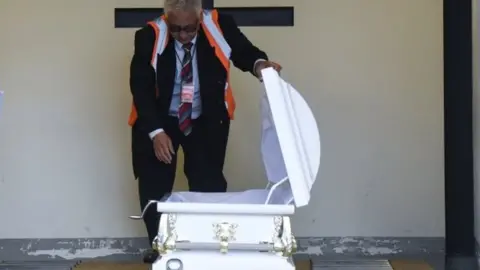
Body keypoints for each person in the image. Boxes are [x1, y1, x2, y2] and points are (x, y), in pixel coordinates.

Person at [128, 0, 282, 263]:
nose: (183, 35)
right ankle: (161, 247)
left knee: (208, 184)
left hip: (204, 118)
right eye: (176, 29)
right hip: (161, 118)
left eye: (190, 28)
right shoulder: (148, 36)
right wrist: (155, 132)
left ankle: (208, 245)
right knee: (154, 183)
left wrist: (259, 66)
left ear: (200, 18)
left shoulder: (219, 24)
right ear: (166, 20)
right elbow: (141, 88)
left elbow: (244, 51)